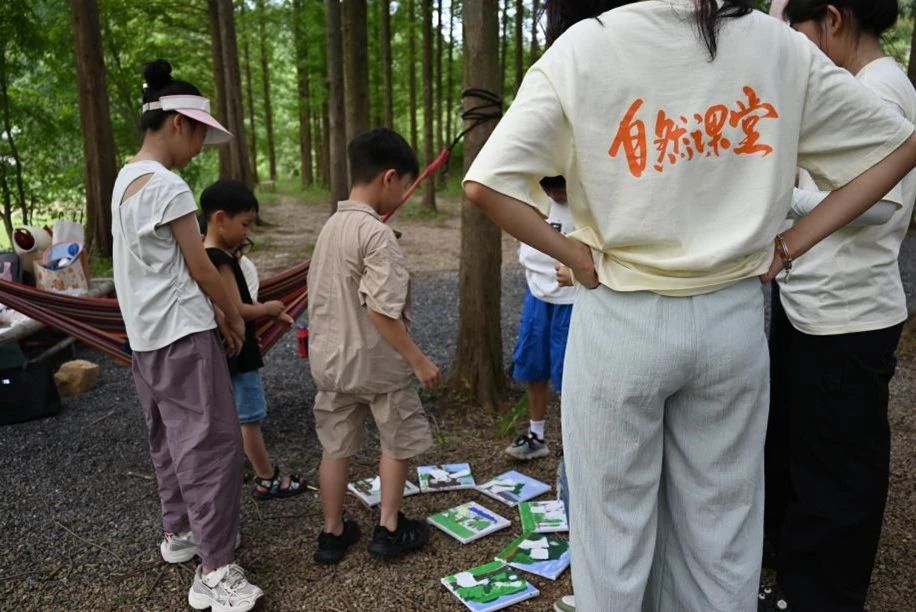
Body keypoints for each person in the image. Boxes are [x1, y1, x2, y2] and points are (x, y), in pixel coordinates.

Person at [462, 1, 916, 610]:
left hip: (622, 320)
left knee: (612, 536)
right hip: (731, 321)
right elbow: (899, 146)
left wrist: (573, 254)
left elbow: (484, 183)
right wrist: (790, 245)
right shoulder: (775, 45)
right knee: (720, 533)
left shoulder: (586, 46)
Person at [762, 2, 915, 611]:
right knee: (801, 449)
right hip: (813, 301)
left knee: (837, 469)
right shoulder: (858, 81)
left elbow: (881, 203)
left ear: (832, 18)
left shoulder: (881, 89)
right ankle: (793, 577)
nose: (795, 48)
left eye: (798, 32)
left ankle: (820, 596)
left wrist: (780, 197)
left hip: (847, 312)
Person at [111, 60, 262, 611]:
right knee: (212, 446)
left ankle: (180, 532)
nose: (200, 148)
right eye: (199, 135)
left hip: (146, 340)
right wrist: (234, 314)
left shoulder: (124, 180)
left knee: (170, 440)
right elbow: (200, 267)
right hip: (183, 337)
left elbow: (160, 269)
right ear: (178, 123)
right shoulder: (168, 185)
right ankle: (216, 570)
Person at [307, 128, 440, 564]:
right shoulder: (376, 235)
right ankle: (389, 527)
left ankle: (332, 533)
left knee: (335, 447)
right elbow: (382, 310)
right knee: (396, 441)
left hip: (331, 363)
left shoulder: (330, 228)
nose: (403, 195)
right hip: (377, 365)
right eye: (404, 185)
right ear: (389, 177)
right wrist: (418, 360)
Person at [201, 179, 305, 501]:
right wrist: (268, 309)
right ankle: (266, 478)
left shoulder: (202, 256)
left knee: (233, 415)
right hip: (239, 354)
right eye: (245, 224)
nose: (247, 233)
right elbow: (235, 309)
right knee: (250, 418)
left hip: (221, 352)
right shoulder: (219, 259)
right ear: (220, 219)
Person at [505, 176, 576, 460]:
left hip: (572, 298)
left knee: (569, 374)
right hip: (536, 292)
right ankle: (536, 436)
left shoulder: (587, 200)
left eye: (560, 188)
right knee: (532, 364)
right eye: (549, 188)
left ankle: (575, 442)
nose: (555, 194)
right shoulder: (531, 195)